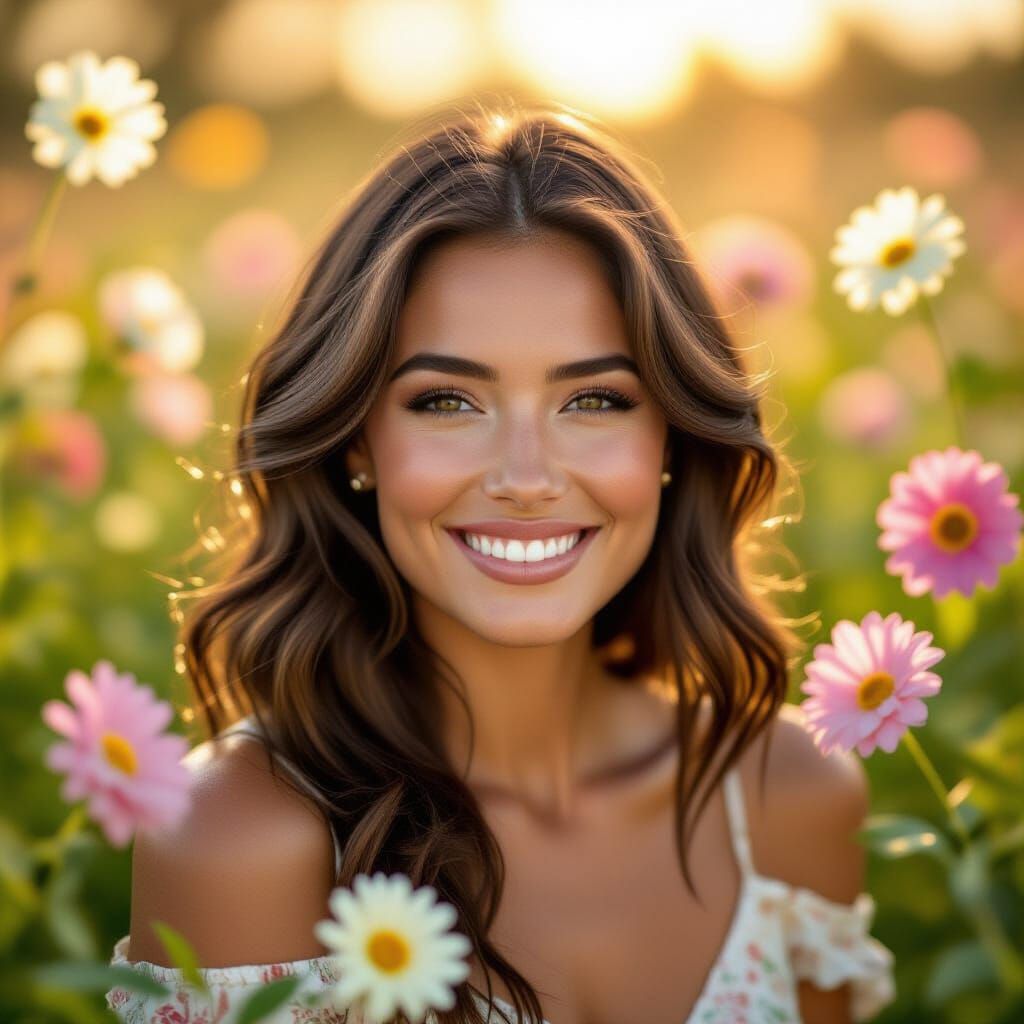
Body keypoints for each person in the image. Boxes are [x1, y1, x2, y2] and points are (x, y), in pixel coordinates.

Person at [105, 104, 896, 1024]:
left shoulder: (790, 799)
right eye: (447, 401)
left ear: (672, 435)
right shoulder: (239, 842)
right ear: (356, 440)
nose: (526, 479)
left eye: (594, 400)